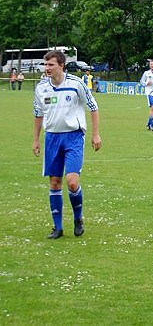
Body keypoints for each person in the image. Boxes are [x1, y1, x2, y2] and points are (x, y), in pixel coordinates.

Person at [32, 50, 102, 239]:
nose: (47, 68)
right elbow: (38, 113)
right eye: (45, 65)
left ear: (61, 65)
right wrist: (36, 139)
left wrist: (95, 134)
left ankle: (78, 219)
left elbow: (93, 107)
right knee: (55, 183)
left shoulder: (76, 83)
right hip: (52, 137)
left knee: (72, 183)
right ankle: (57, 228)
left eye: (50, 65)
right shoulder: (40, 88)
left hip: (73, 137)